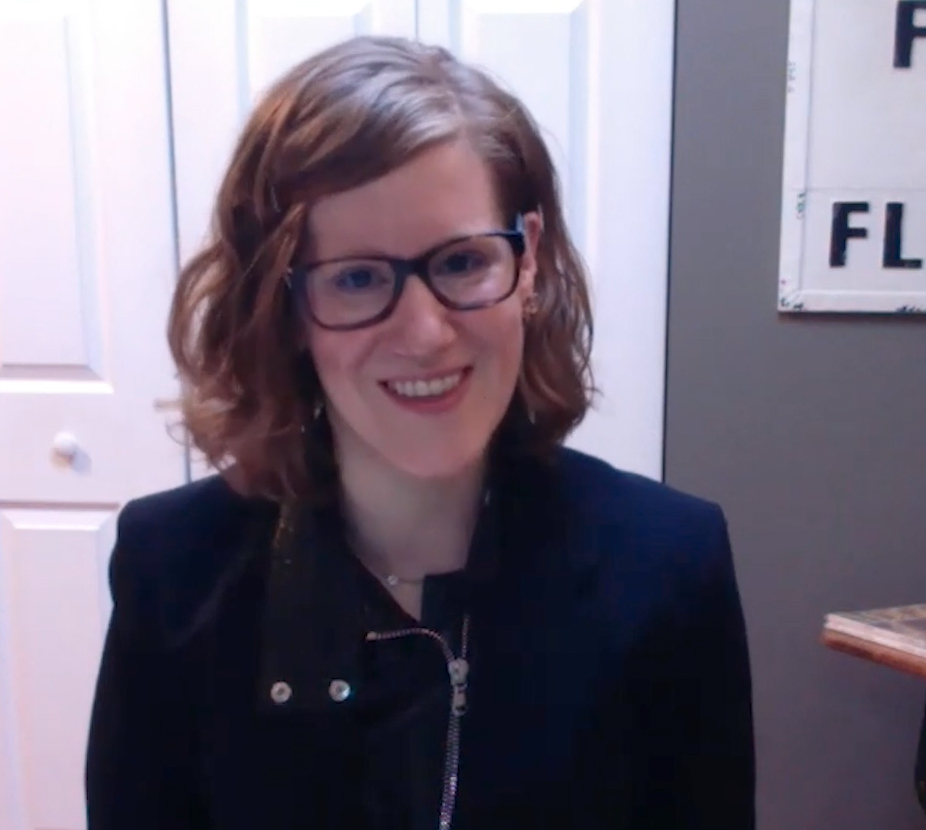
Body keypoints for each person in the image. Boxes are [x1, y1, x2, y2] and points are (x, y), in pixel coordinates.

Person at [84, 34, 755, 830]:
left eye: (463, 262)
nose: (426, 332)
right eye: (359, 278)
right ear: (285, 305)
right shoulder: (174, 568)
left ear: (528, 259)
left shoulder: (669, 564)